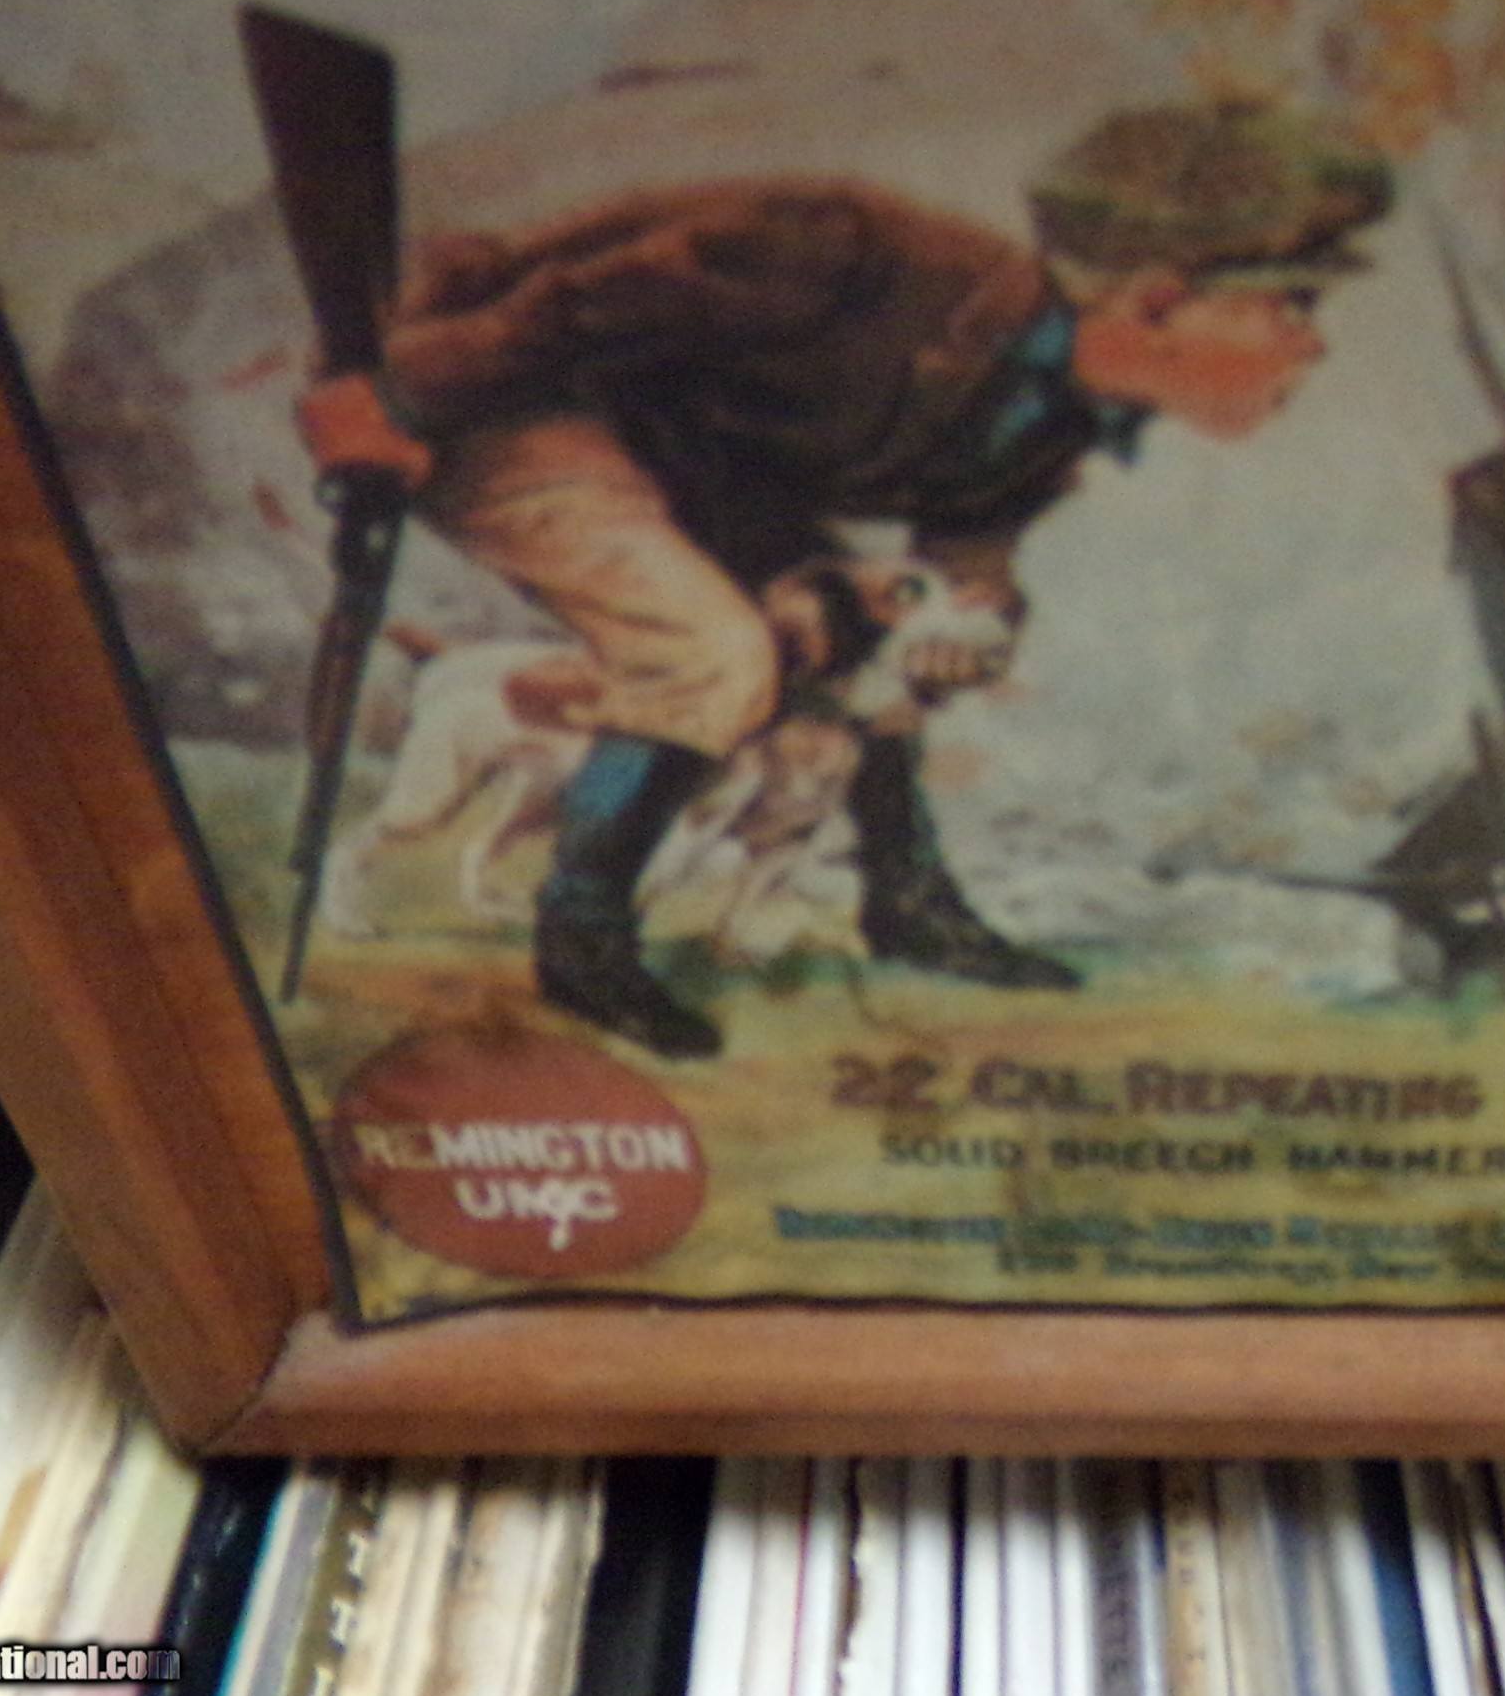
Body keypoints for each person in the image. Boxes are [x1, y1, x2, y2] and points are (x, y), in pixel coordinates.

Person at [298, 99, 1392, 1058]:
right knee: (710, 654)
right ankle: (583, 938)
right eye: (1290, 305)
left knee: (871, 661)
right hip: (503, 399)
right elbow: (578, 304)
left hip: (689, 467)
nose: (1312, 347)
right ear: (1154, 302)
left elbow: (969, 545)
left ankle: (906, 906)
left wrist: (971, 624)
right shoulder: (850, 254)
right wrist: (394, 399)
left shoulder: (1061, 411)